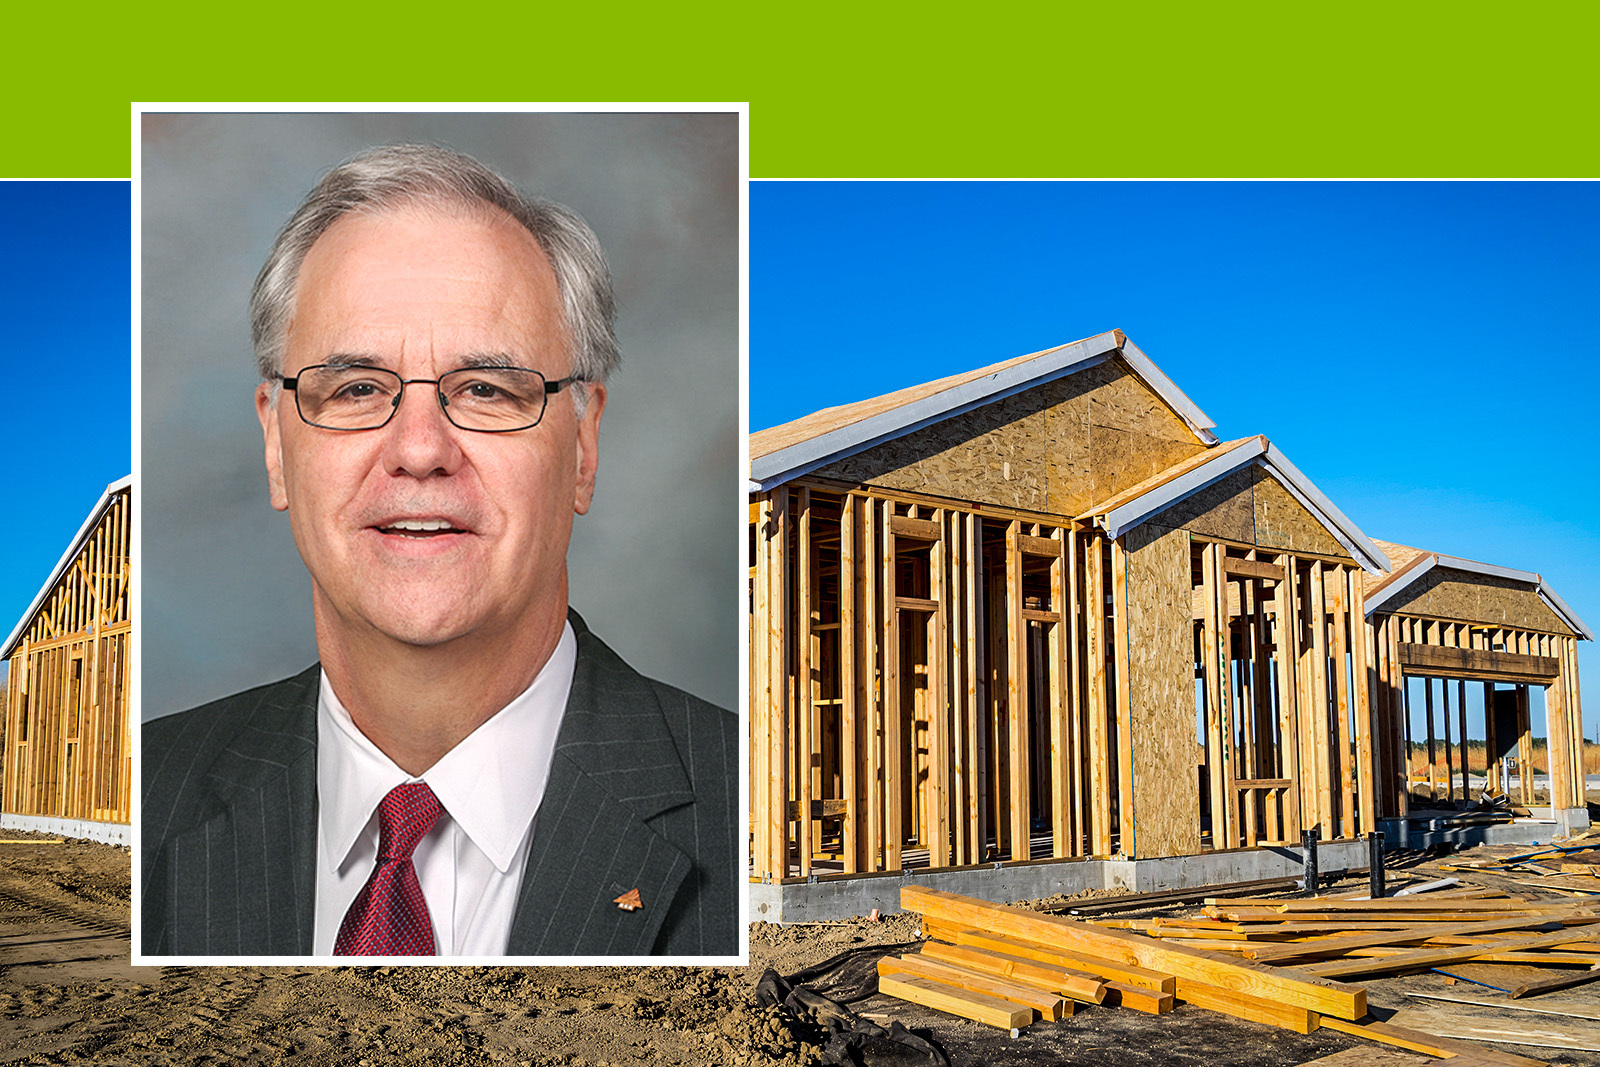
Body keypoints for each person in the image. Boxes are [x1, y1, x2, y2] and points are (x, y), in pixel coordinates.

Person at [142, 144, 737, 958]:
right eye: (355, 388)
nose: (420, 449)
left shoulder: (746, 810)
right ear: (277, 444)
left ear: (584, 444)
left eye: (486, 390)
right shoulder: (145, 798)